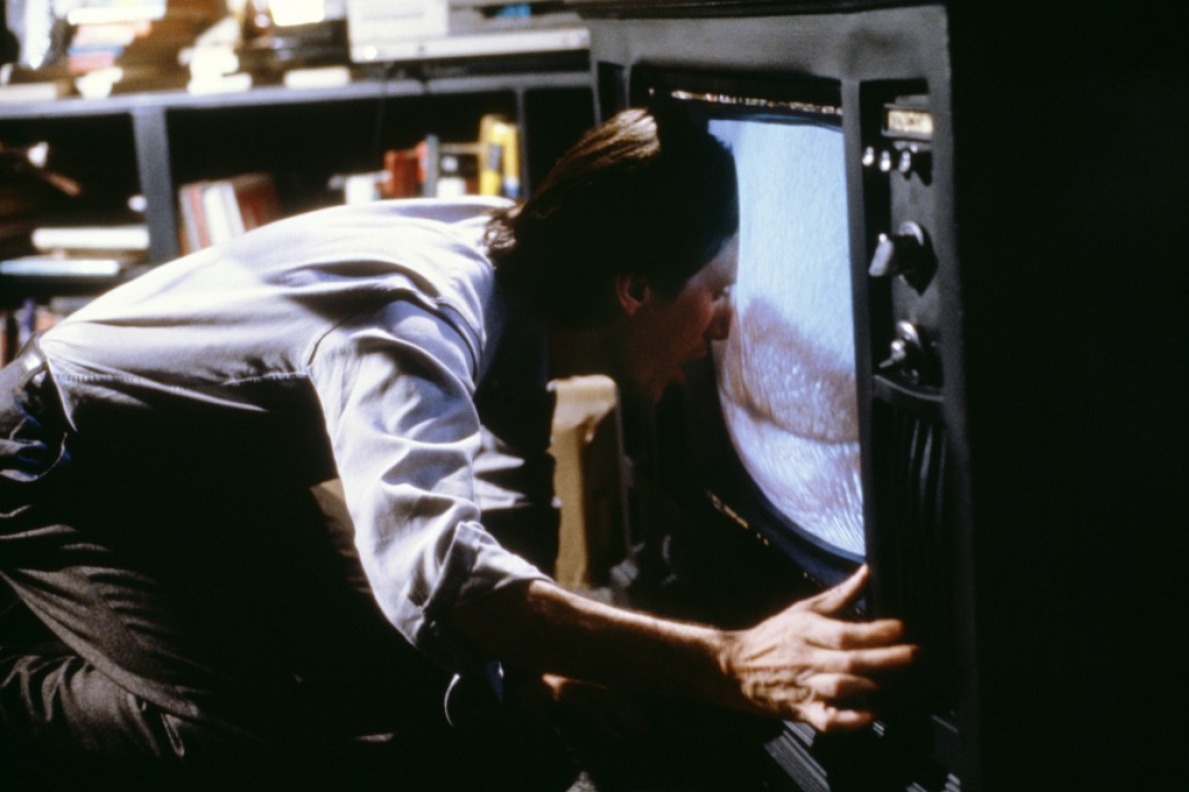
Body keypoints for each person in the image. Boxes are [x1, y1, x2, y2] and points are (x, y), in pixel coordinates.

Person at [0, 108, 915, 789]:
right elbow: (437, 576)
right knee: (243, 748)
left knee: (378, 690)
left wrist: (542, 652)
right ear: (635, 288)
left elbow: (503, 477)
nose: (722, 327)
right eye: (717, 290)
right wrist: (729, 663)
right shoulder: (412, 325)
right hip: (58, 454)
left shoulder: (526, 252)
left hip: (202, 467)